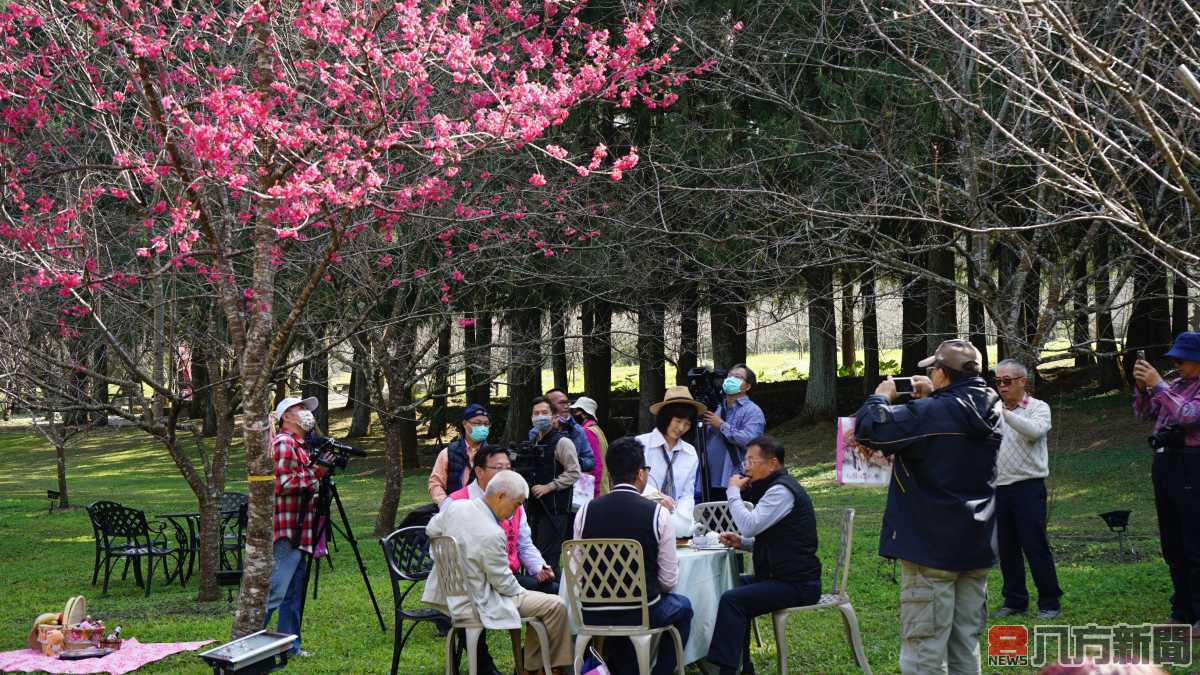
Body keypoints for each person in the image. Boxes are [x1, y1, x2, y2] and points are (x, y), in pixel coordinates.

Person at [854, 338, 1001, 675]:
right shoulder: (995, 409)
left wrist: (881, 395)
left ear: (942, 374)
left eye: (934, 370)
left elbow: (871, 426)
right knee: (965, 644)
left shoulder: (933, 412)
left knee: (924, 650)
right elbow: (953, 424)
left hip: (931, 546)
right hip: (978, 542)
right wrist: (934, 397)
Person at [423, 470, 572, 675]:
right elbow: (504, 584)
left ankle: (534, 667)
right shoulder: (492, 533)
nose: (516, 510)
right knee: (555, 604)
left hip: (455, 594)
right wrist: (525, 590)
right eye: (517, 504)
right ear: (501, 496)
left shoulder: (455, 507)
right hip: (482, 599)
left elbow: (431, 529)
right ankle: (543, 668)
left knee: (542, 602)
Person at [574, 436, 693, 675]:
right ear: (641, 474)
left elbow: (578, 567)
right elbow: (669, 581)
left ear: (610, 473)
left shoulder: (585, 511)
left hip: (593, 611)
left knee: (625, 611)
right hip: (642, 610)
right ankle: (662, 671)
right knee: (684, 606)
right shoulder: (657, 513)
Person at [705, 436, 820, 675]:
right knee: (728, 586)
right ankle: (742, 666)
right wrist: (744, 544)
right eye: (745, 460)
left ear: (773, 464)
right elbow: (778, 539)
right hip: (778, 576)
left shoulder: (781, 491)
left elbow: (749, 524)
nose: (746, 467)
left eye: (751, 460)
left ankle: (726, 670)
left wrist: (733, 491)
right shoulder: (774, 488)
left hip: (797, 583)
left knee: (733, 600)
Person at [1133, 331, 1200, 630]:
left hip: (1192, 464)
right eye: (1175, 359)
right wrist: (1142, 389)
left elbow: (1188, 417)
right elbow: (1144, 414)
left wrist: (1158, 385)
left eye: (1183, 359)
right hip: (1165, 462)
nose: (1178, 364)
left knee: (1194, 541)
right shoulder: (1174, 385)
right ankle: (1181, 612)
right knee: (1172, 542)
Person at [990, 359, 1063, 620]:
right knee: (1007, 548)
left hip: (1028, 487)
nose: (1001, 386)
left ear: (1023, 381)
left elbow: (1035, 432)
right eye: (997, 381)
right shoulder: (994, 411)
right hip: (1000, 488)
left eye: (1006, 381)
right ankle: (1015, 600)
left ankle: (1050, 602)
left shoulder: (1038, 408)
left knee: (1035, 545)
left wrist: (1005, 415)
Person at [442, 446, 558, 593]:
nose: (505, 473)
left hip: (508, 577)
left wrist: (539, 568)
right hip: (472, 581)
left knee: (554, 590)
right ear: (479, 472)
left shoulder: (514, 499)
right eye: (498, 468)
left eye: (508, 468)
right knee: (552, 599)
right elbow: (442, 549)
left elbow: (524, 544)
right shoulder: (456, 503)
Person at [267, 396, 327, 656]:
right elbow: (281, 484)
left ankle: (290, 645)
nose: (306, 413)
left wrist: (317, 471)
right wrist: (315, 476)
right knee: (276, 590)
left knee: (293, 592)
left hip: (301, 528)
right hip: (288, 529)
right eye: (300, 408)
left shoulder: (300, 445)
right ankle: (246, 644)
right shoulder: (284, 443)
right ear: (287, 416)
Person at [639, 386, 705, 535]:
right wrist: (658, 497)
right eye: (678, 420)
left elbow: (687, 493)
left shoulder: (690, 453)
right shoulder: (641, 445)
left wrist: (682, 519)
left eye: (687, 424)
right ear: (665, 417)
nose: (681, 428)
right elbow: (632, 483)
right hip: (643, 517)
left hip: (675, 522)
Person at [528, 396, 581, 574]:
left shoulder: (562, 442)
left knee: (548, 559)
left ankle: (555, 597)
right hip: (535, 509)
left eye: (544, 413)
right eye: (536, 413)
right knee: (534, 556)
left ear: (553, 417)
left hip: (555, 510)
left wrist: (550, 486)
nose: (539, 417)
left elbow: (574, 472)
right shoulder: (534, 441)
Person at [699, 364, 766, 500]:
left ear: (747, 386)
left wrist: (722, 425)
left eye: (738, 377)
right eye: (729, 376)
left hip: (736, 478)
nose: (731, 379)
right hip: (709, 480)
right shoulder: (716, 408)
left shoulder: (753, 411)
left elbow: (751, 441)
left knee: (733, 520)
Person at [428, 404, 492, 505]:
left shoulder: (493, 455)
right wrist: (446, 504)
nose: (482, 427)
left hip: (484, 511)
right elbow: (436, 484)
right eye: (477, 423)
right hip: (454, 510)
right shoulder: (448, 453)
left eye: (486, 424)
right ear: (465, 424)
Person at [536, 388, 595, 472]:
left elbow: (591, 461)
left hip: (568, 481)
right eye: (561, 403)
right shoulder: (536, 430)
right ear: (548, 406)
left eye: (567, 402)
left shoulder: (577, 430)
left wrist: (575, 462)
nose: (567, 406)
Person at [570, 396, 609, 496]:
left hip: (595, 492)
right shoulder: (597, 429)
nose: (573, 415)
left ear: (584, 415)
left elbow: (596, 464)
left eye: (576, 412)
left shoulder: (588, 432)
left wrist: (594, 492)